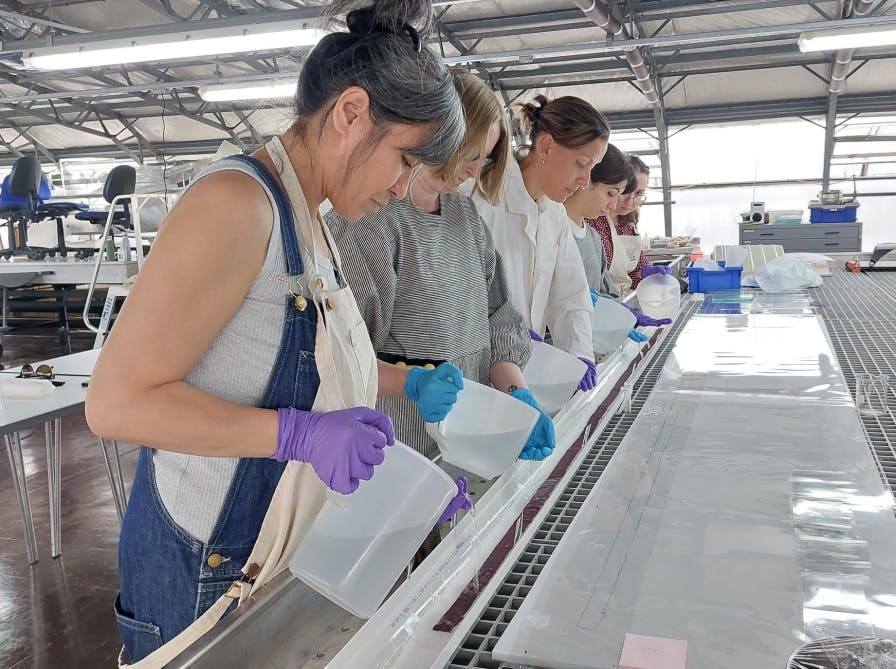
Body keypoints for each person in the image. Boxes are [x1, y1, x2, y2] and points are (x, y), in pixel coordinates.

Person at [85, 1, 467, 664]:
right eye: (405, 160)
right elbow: (116, 404)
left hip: (269, 557)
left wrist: (397, 482)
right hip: (206, 573)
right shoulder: (235, 203)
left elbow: (301, 361)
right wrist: (296, 435)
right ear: (350, 113)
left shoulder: (310, 220)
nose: (406, 189)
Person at [327, 68, 556, 463]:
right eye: (470, 155)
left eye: (483, 161)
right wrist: (413, 383)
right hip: (399, 454)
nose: (472, 171)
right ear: (439, 134)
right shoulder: (370, 219)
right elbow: (342, 354)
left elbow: (500, 315)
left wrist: (515, 393)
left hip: (467, 438)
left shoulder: (464, 214)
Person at [471, 95, 609, 392]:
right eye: (581, 164)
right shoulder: (481, 199)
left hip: (523, 369)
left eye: (592, 168)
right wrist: (508, 336)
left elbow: (571, 295)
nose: (585, 181)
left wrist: (580, 353)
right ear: (546, 146)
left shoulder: (554, 214)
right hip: (478, 372)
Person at [564, 145, 668, 342]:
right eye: (613, 194)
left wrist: (621, 314)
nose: (616, 204)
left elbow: (606, 291)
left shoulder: (593, 237)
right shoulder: (556, 229)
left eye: (638, 194)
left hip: (591, 334)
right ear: (585, 180)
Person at [587, 154, 659, 294]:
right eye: (625, 192)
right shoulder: (592, 220)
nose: (630, 201)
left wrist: (648, 273)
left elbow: (636, 269)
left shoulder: (628, 223)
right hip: (605, 304)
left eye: (639, 193)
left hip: (625, 298)